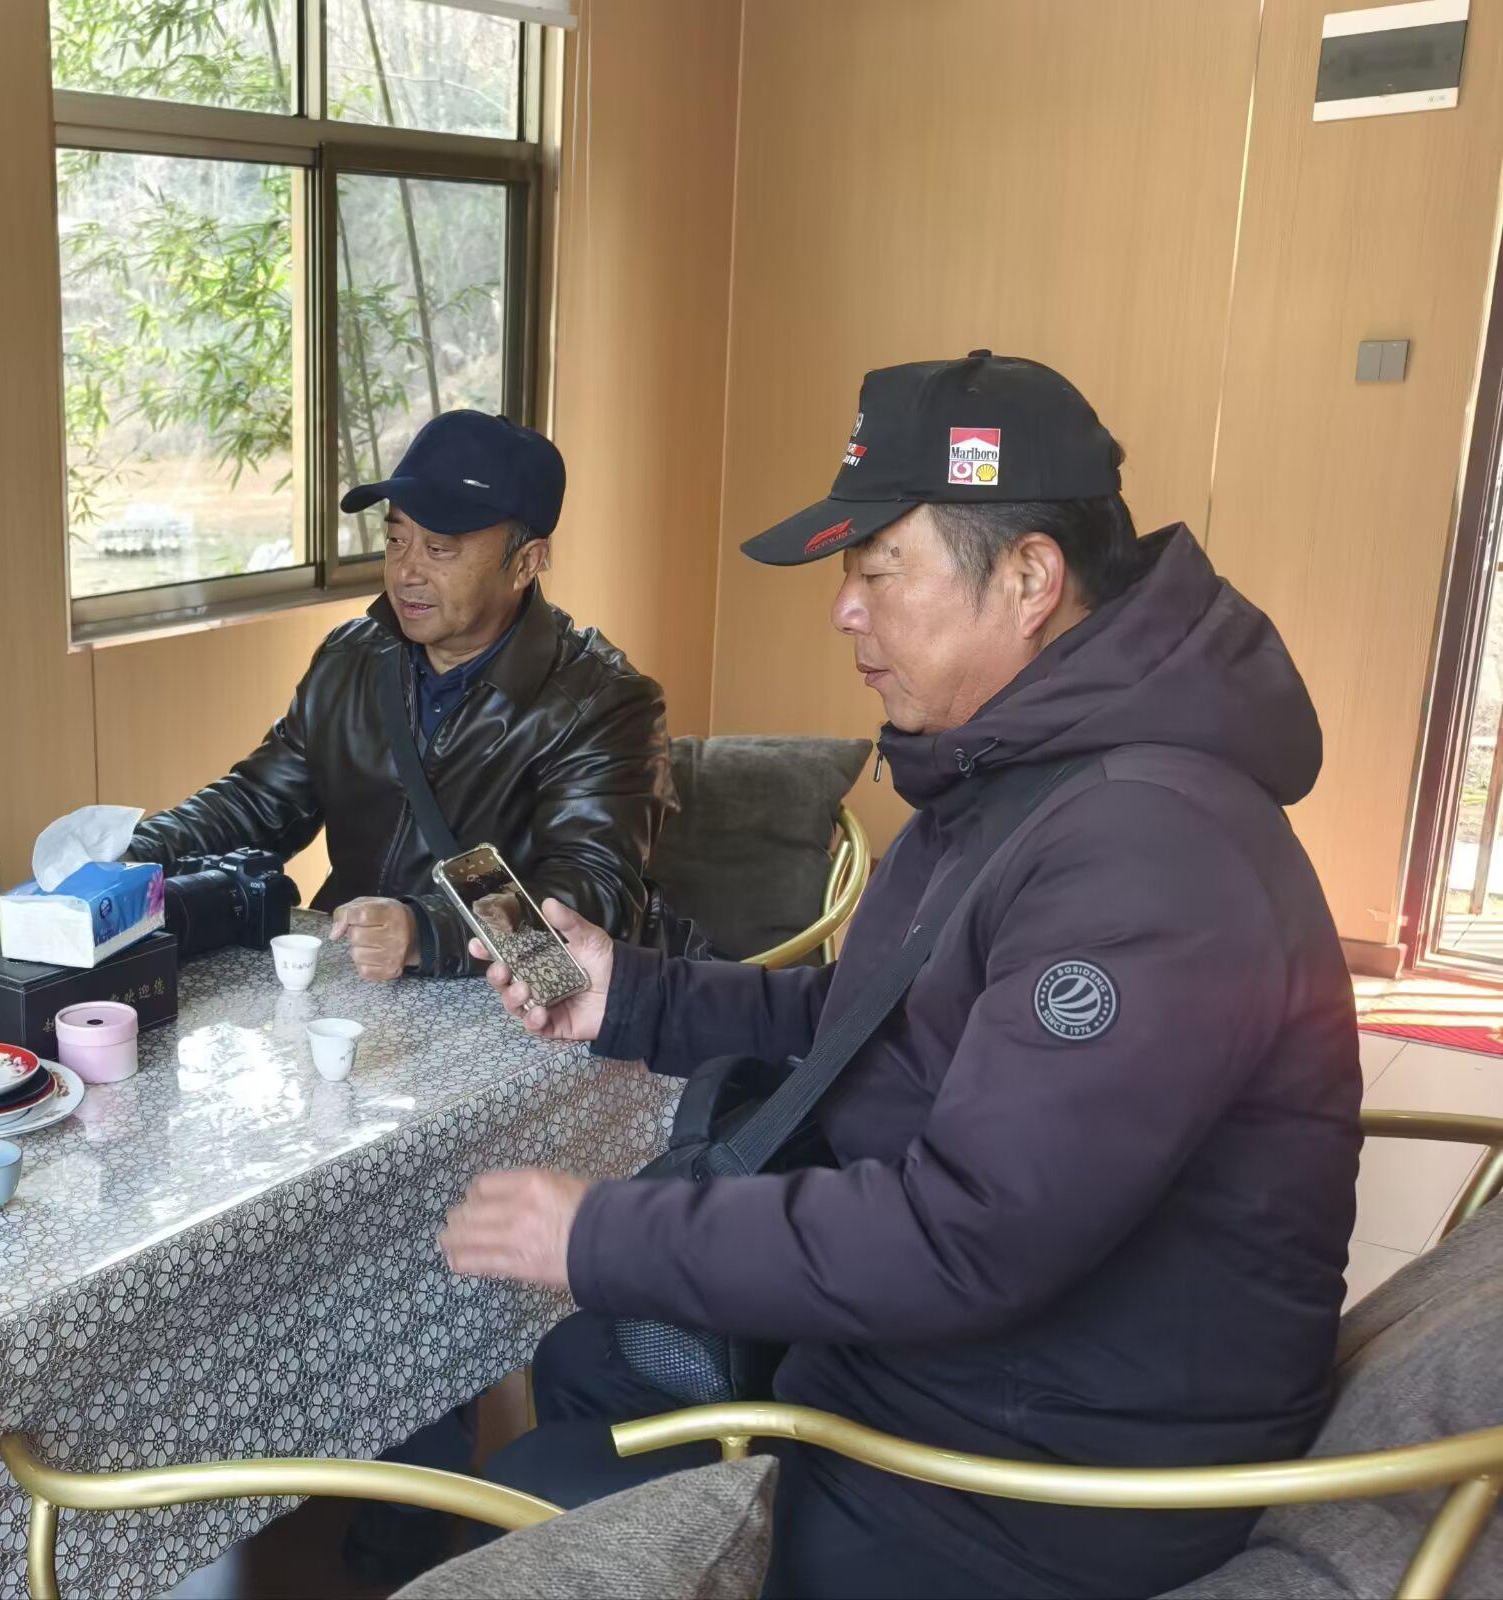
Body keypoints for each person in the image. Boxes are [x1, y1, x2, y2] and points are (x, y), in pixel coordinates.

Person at [439, 352, 1361, 1597]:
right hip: (960, 1375)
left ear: (1029, 578)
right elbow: (873, 1016)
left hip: (1042, 1475)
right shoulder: (1011, 767)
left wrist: (600, 1230)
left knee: (541, 1500)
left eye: (879, 571)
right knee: (593, 1363)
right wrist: (632, 994)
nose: (844, 611)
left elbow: (966, 1236)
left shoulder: (1149, 850)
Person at [126, 410, 673, 983]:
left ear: (525, 563)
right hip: (352, 980)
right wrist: (134, 856)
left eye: (440, 548)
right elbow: (259, 801)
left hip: (504, 1002)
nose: (407, 571)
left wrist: (427, 931)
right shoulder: (352, 658)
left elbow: (593, 892)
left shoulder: (603, 703)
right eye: (395, 539)